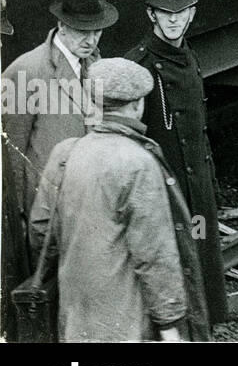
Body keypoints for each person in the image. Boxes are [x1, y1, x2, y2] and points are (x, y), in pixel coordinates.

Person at [28, 58, 210, 342]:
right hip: (125, 321)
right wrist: (170, 324)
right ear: (138, 105)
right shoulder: (138, 162)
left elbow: (40, 231)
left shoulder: (65, 153)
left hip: (75, 314)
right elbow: (154, 253)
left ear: (94, 102)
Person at [122, 0, 228, 324]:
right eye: (165, 12)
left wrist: (208, 183)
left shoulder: (188, 55)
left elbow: (198, 131)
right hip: (163, 192)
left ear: (192, 13)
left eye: (181, 11)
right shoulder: (139, 67)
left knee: (201, 275)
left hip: (195, 187)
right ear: (151, 14)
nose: (173, 20)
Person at [2, 0, 116, 256]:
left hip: (85, 207)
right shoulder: (26, 71)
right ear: (62, 26)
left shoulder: (93, 63)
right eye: (82, 31)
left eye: (97, 30)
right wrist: (16, 223)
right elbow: (9, 157)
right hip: (46, 216)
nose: (91, 40)